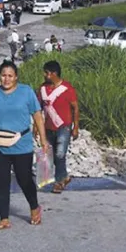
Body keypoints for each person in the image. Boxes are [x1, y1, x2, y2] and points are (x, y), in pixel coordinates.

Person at [0, 60, 48, 229]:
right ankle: (4, 218)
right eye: (3, 75)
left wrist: (43, 140)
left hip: (22, 145)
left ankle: (34, 206)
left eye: (10, 76)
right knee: (1, 182)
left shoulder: (26, 92)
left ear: (16, 77)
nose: (6, 79)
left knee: (24, 179)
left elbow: (37, 115)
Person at [37, 61, 79, 193]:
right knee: (51, 156)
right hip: (48, 127)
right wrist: (36, 126)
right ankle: (64, 176)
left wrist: (75, 127)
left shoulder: (67, 89)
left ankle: (59, 182)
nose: (44, 75)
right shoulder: (43, 89)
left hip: (64, 127)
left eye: (46, 73)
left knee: (60, 154)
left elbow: (75, 108)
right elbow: (38, 109)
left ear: (54, 74)